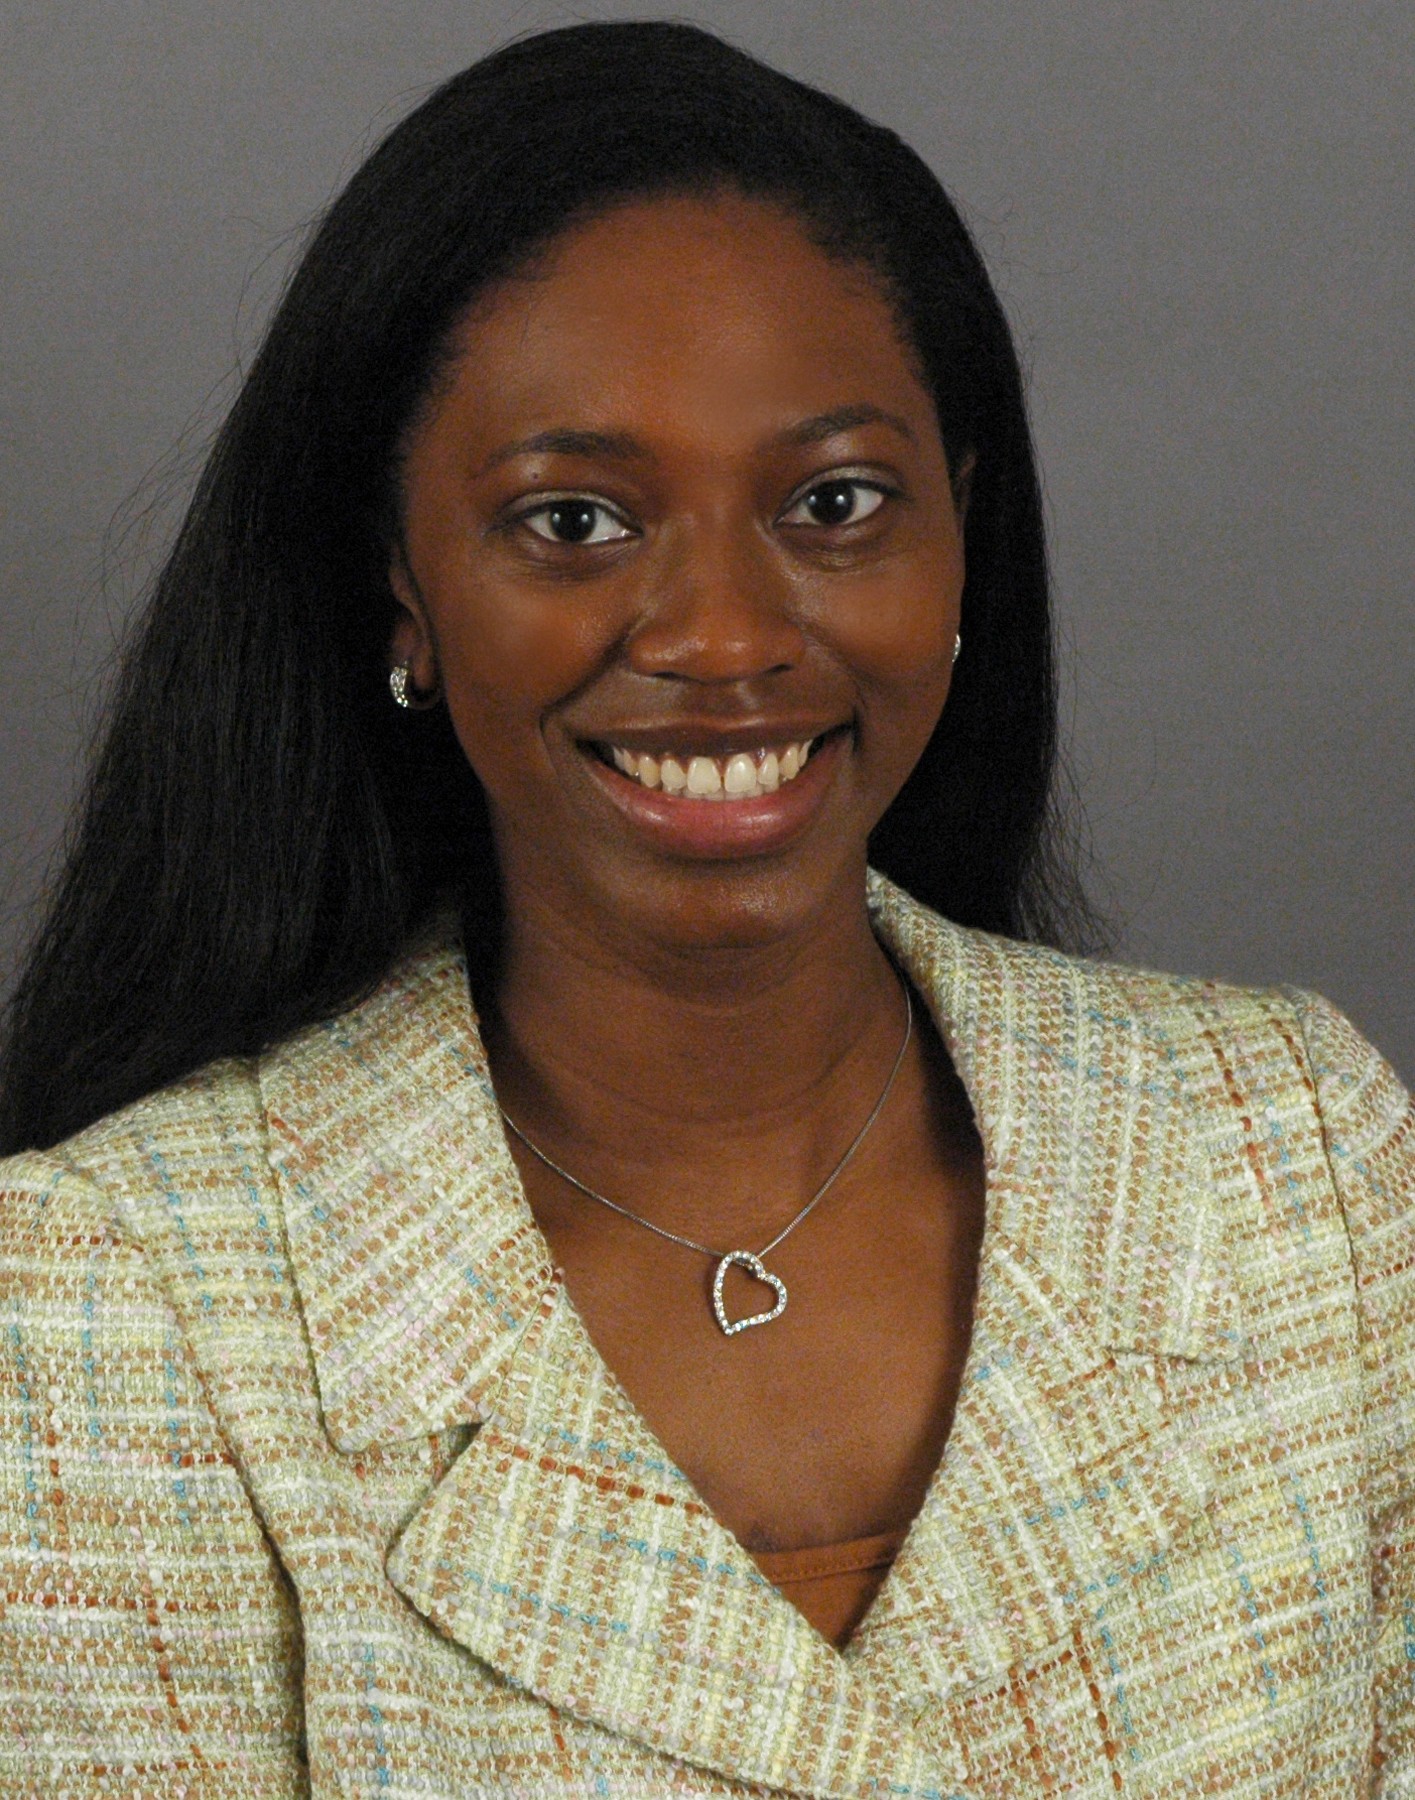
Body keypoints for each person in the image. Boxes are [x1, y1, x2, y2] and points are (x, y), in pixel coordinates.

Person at [0, 19, 1410, 1797]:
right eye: (574, 521)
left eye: (836, 502)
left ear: (960, 537)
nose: (727, 639)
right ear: (403, 584)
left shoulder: (1298, 1168)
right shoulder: (109, 1309)